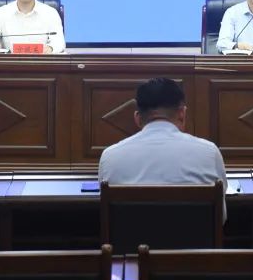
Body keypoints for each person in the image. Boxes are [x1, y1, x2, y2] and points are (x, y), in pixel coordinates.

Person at [98, 78, 228, 217]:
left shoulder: (110, 156)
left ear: (137, 118)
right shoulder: (209, 152)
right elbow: (221, 216)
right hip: (194, 232)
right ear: (182, 114)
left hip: (132, 232)